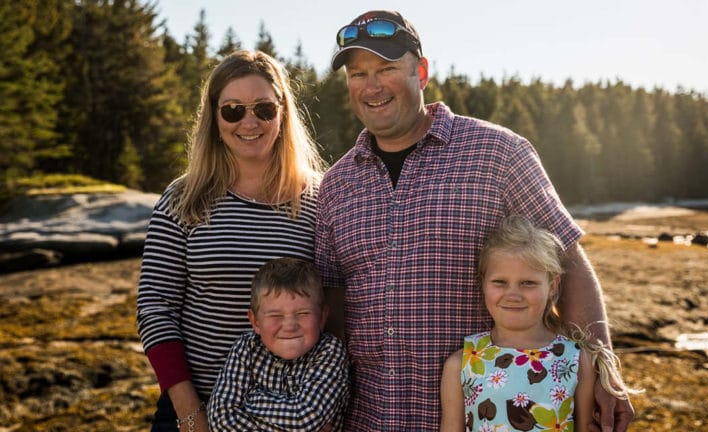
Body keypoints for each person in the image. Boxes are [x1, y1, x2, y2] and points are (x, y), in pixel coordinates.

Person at [315, 9, 634, 431]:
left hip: (488, 418)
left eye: (387, 68)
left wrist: (605, 372)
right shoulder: (337, 184)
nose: (371, 86)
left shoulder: (498, 154)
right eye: (358, 74)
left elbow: (568, 263)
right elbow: (333, 308)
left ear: (422, 72)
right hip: (370, 419)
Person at [137, 50, 325, 432]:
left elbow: (332, 307)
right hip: (193, 409)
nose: (249, 122)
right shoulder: (184, 199)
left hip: (293, 413)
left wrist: (325, 412)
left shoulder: (320, 201)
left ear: (283, 112)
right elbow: (155, 307)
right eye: (233, 110)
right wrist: (191, 415)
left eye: (264, 109)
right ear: (214, 118)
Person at [440, 216, 639, 431]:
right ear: (483, 284)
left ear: (553, 286)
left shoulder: (578, 360)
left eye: (528, 283)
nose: (513, 294)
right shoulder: (460, 365)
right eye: (500, 282)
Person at [207, 257, 349, 431]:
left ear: (322, 317)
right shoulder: (246, 348)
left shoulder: (330, 351)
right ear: (255, 322)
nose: (290, 326)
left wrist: (252, 399)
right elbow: (220, 419)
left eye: (303, 313)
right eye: (276, 315)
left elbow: (305, 418)